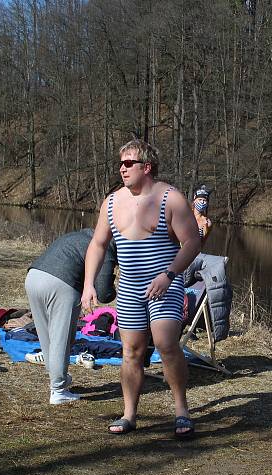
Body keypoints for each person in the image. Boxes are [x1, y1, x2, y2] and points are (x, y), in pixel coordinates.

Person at [82, 139, 201, 438]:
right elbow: (97, 243)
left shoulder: (170, 198)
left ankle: (181, 410)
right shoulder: (111, 202)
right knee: (131, 351)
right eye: (120, 163)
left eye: (128, 163)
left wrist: (169, 274)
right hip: (130, 289)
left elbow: (192, 242)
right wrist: (88, 285)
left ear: (146, 167)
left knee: (165, 343)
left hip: (165, 283)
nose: (122, 168)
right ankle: (129, 414)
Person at [25, 229, 117, 405]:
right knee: (61, 338)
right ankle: (58, 391)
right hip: (62, 283)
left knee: (48, 338)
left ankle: (58, 380)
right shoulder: (106, 247)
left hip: (33, 276)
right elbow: (104, 293)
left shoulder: (83, 234)